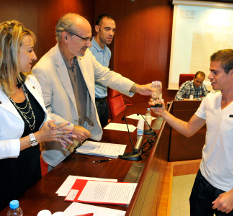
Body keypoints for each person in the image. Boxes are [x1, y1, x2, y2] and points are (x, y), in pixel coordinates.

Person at [0, 21, 75, 215]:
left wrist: (56, 129)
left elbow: (41, 118)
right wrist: (38, 138)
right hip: (0, 179)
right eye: (29, 50)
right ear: (8, 52)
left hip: (30, 170)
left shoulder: (29, 81)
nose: (34, 56)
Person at [150, 49, 233, 215]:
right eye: (210, 71)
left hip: (230, 188)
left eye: (215, 72)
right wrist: (163, 113)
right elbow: (188, 129)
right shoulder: (210, 100)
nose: (209, 76)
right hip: (202, 180)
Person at [32, 13, 153, 170]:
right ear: (66, 36)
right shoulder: (43, 69)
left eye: (90, 39)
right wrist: (71, 128)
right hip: (62, 150)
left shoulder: (85, 56)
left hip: (88, 141)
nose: (89, 44)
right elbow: (44, 114)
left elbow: (106, 75)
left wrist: (137, 87)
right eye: (85, 39)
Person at [90, 14, 116, 127]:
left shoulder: (108, 52)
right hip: (90, 103)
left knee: (104, 136)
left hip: (103, 102)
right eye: (107, 29)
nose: (111, 33)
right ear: (97, 28)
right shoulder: (87, 51)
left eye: (113, 30)